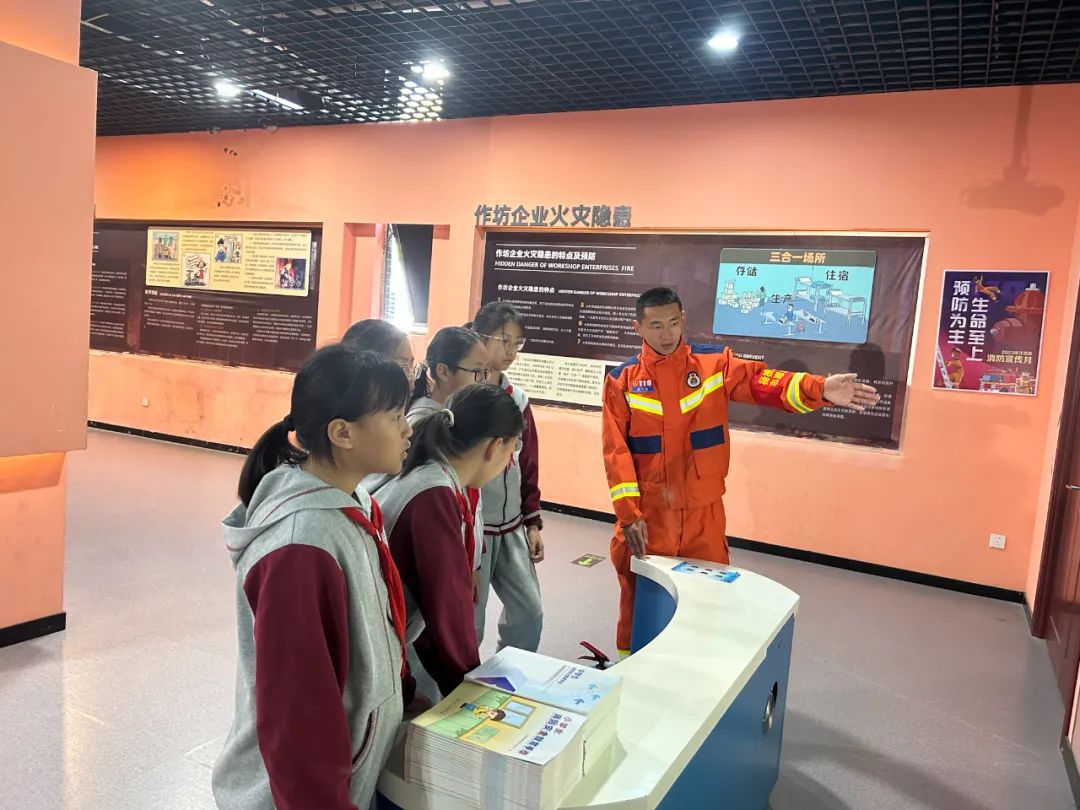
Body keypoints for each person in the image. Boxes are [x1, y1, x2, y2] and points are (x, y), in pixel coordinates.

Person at [602, 287, 880, 656]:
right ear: (638, 327)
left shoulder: (715, 364)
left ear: (683, 320)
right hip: (650, 517)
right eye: (656, 326)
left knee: (708, 595)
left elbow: (763, 382)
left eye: (673, 323)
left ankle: (701, 667)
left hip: (704, 514)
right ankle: (628, 668)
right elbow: (615, 452)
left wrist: (821, 388)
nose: (667, 334)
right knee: (640, 595)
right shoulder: (622, 380)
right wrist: (629, 514)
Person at [213, 345, 419, 810]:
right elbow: (296, 716)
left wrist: (402, 692)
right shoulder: (300, 547)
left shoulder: (355, 501)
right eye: (394, 417)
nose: (408, 428)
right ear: (342, 433)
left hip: (349, 770)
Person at [378, 384, 524, 699]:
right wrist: (470, 695)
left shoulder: (432, 471)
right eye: (512, 451)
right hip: (372, 654)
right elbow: (447, 613)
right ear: (495, 446)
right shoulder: (434, 494)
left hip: (384, 644)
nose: (508, 462)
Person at [469, 301, 545, 653]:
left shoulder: (518, 400)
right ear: (480, 336)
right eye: (504, 341)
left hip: (512, 526)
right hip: (473, 531)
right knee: (470, 622)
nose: (511, 352)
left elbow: (528, 463)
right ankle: (458, 682)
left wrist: (533, 522)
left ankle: (512, 673)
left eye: (518, 343)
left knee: (529, 613)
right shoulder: (463, 399)